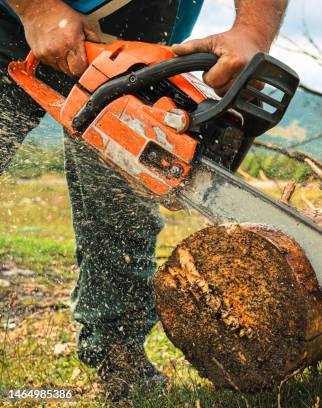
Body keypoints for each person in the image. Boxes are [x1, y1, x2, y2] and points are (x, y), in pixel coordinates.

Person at [0, 0, 288, 400]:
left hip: (138, 30)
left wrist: (252, 31)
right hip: (11, 20)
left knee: (123, 200)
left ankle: (118, 353)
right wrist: (35, 8)